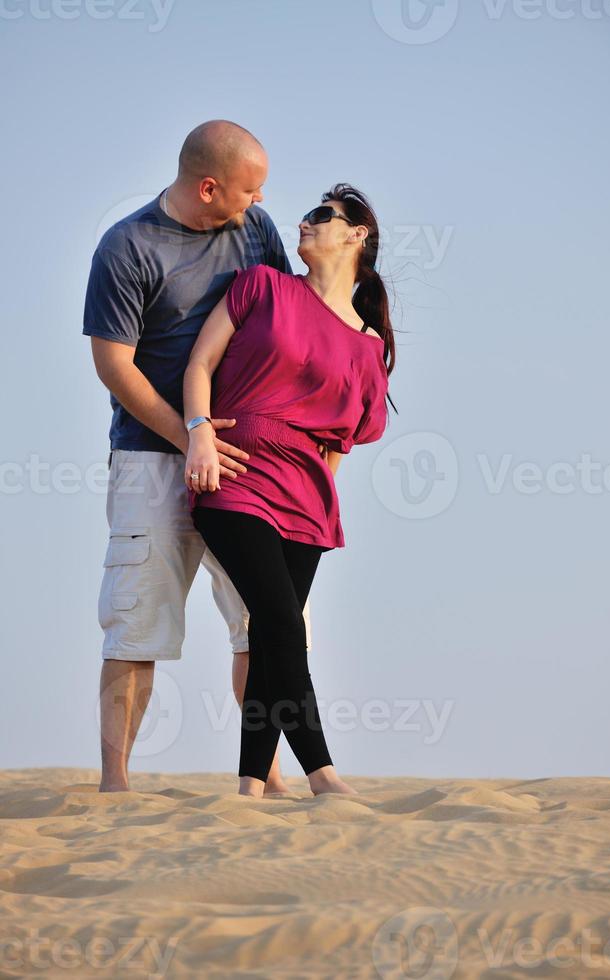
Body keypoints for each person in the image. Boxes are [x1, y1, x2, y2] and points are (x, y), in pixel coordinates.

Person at [83, 119, 314, 793]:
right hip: (150, 461)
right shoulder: (126, 247)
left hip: (251, 467)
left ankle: (265, 780)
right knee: (136, 621)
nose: (260, 202)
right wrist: (194, 437)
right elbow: (114, 366)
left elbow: (284, 320)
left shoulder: (255, 231)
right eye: (248, 190)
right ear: (208, 187)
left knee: (265, 619)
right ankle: (114, 785)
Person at [183, 183, 397, 797]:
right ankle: (323, 774)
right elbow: (200, 365)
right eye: (306, 213)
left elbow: (340, 444)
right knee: (280, 620)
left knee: (271, 635)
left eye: (322, 216)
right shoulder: (261, 286)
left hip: (305, 494)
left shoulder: (368, 346)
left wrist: (319, 501)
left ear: (357, 235)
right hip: (234, 471)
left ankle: (251, 783)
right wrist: (198, 432)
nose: (304, 221)